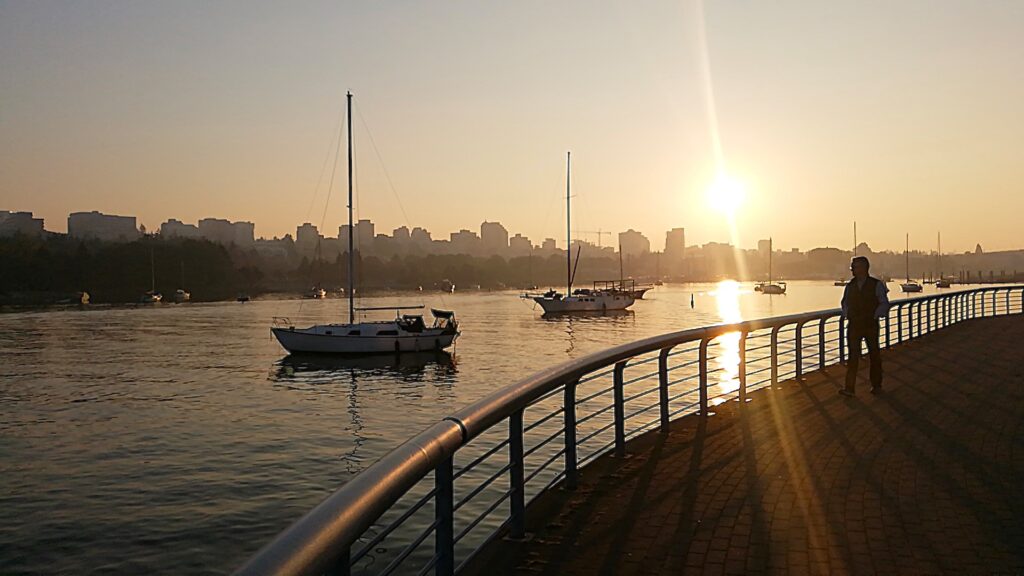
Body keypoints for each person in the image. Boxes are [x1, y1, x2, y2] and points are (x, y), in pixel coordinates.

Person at [840, 256, 889, 396]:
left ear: (863, 268)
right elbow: (844, 302)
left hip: (870, 324)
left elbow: (884, 302)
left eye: (854, 267)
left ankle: (876, 385)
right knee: (853, 356)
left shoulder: (876, 284)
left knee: (874, 354)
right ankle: (849, 388)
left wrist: (875, 315)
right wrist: (847, 313)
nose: (852, 270)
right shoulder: (850, 286)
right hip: (854, 324)